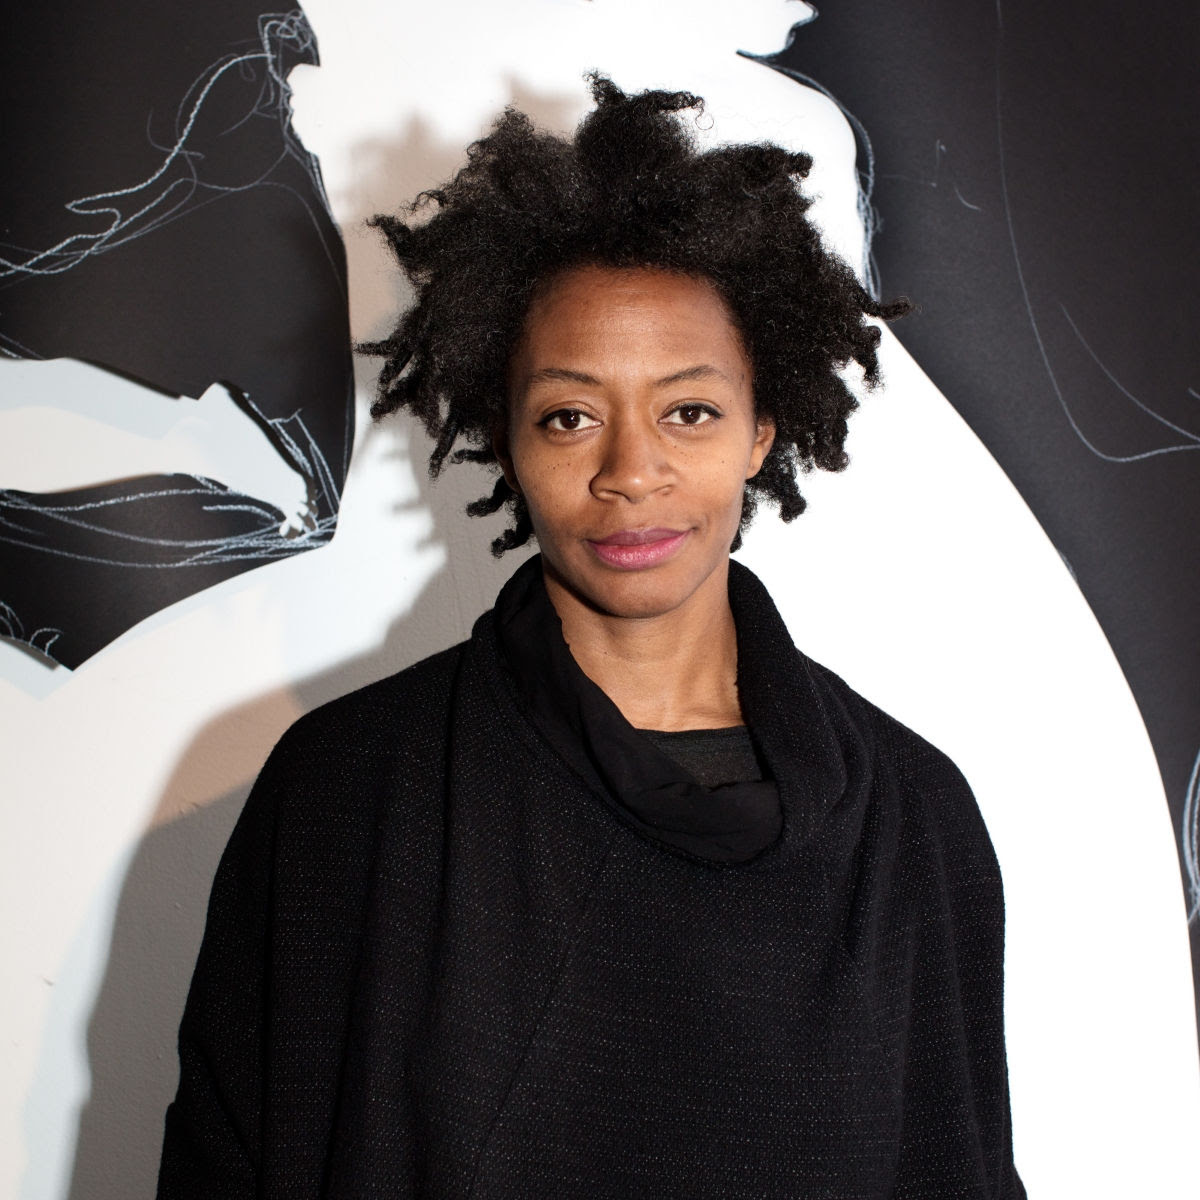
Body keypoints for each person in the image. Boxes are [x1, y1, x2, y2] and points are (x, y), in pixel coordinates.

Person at [158, 77, 1024, 1197]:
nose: (630, 473)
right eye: (570, 415)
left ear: (763, 427)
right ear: (504, 438)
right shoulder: (351, 791)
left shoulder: (911, 822)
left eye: (689, 411)